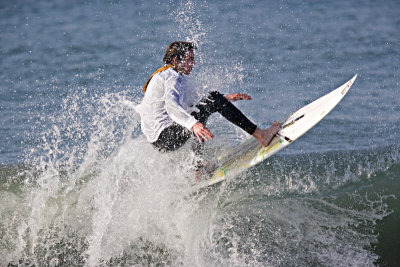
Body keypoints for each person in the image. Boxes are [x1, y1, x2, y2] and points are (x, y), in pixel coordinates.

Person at [135, 41, 281, 155]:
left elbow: (193, 102)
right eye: (190, 59)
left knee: (207, 104)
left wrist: (225, 99)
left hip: (159, 140)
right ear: (176, 59)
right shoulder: (173, 77)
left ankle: (197, 169)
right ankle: (261, 135)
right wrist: (193, 124)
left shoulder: (165, 74)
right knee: (207, 107)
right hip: (166, 137)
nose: (193, 63)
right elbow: (171, 106)